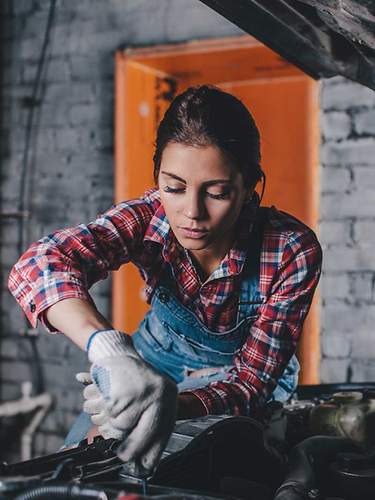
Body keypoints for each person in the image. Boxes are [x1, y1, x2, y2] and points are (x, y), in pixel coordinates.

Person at [8, 85, 322, 476]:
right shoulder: (147, 218)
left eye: (218, 192)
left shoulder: (292, 250)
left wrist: (175, 405)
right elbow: (40, 264)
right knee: (84, 461)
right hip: (156, 359)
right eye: (173, 187)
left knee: (202, 472)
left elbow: (249, 384)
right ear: (156, 176)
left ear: (249, 188)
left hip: (242, 377)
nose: (191, 212)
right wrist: (112, 352)